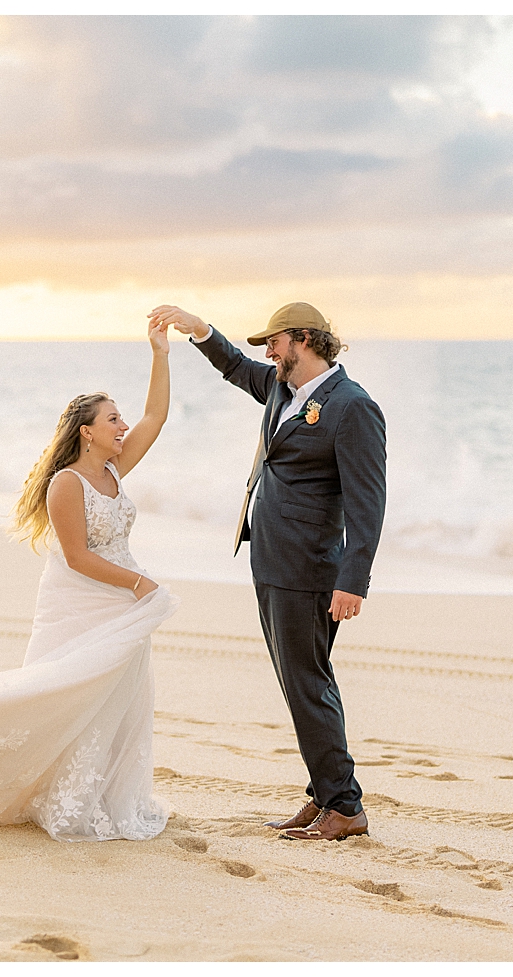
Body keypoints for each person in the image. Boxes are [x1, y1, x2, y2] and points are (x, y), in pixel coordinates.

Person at [0, 321, 178, 842]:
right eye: (112, 419)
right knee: (62, 690)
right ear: (87, 432)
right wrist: (140, 585)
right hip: (82, 600)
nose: (122, 426)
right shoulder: (65, 484)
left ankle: (104, 795)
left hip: (122, 598)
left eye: (120, 418)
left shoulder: (115, 469)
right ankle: (31, 781)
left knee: (120, 695)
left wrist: (160, 353)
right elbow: (76, 557)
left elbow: (156, 415)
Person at [147, 302, 386, 841]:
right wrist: (199, 330)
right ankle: (323, 794)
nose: (267, 352)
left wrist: (353, 580)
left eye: (274, 342)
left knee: (308, 685)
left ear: (304, 339)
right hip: (272, 558)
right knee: (300, 682)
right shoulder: (283, 390)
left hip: (310, 567)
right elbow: (233, 365)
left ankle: (344, 807)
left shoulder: (352, 407)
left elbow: (368, 503)